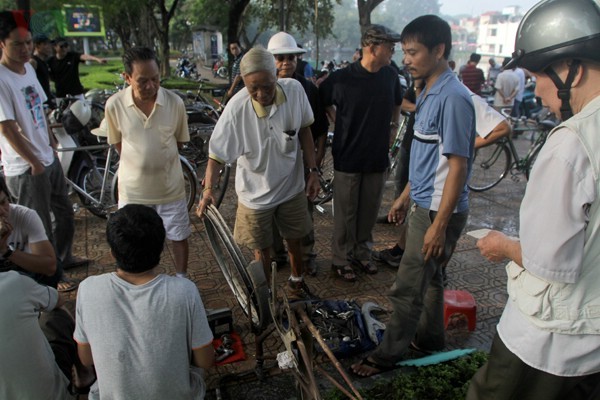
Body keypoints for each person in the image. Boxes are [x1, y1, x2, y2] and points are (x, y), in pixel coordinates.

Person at [467, 0, 600, 398]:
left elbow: (548, 263)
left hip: (550, 340)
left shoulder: (571, 145)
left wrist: (503, 245)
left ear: (570, 70)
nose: (536, 91)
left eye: (536, 77)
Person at [351, 14, 475, 376]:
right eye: (403, 51)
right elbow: (427, 157)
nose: (405, 59)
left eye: (413, 52)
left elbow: (457, 167)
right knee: (432, 278)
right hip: (426, 203)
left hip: (438, 210)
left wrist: (438, 226)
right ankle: (430, 339)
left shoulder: (452, 98)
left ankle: (386, 355)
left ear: (439, 50)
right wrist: (406, 196)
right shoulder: (428, 91)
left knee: (407, 287)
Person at [197, 47, 320, 299]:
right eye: (254, 88)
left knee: (294, 239)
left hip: (291, 187)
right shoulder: (236, 109)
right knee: (261, 248)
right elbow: (216, 156)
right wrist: (208, 190)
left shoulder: (295, 91)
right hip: (255, 195)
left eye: (267, 85)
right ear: (243, 82)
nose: (262, 94)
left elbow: (305, 131)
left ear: (276, 75)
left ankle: (296, 282)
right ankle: (265, 294)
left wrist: (313, 171)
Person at [74, 204, 215, 399]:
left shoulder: (88, 289)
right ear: (161, 249)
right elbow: (205, 360)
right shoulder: (184, 291)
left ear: (113, 252)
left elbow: (86, 358)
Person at [375, 87, 511, 268]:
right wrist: (405, 196)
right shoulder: (429, 95)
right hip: (423, 189)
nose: (409, 61)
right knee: (424, 266)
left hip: (440, 193)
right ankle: (400, 252)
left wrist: (466, 145)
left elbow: (503, 127)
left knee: (427, 274)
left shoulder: (459, 96)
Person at [0, 11, 84, 281]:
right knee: (39, 228)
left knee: (65, 214)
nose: (26, 49)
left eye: (28, 43)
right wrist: (35, 161)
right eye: (18, 44)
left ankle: (63, 260)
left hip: (48, 157)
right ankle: (49, 282)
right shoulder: (1, 79)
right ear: (1, 44)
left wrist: (50, 143)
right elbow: (7, 127)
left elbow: (40, 110)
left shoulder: (30, 70)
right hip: (26, 168)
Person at [319, 24, 403, 282]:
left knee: (368, 212)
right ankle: (341, 259)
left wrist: (392, 127)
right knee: (346, 214)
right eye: (390, 46)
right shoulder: (342, 78)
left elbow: (397, 104)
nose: (393, 50)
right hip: (348, 156)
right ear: (372, 47)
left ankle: (362, 254)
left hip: (377, 157)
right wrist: (334, 118)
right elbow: (320, 99)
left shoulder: (389, 76)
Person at [104, 46, 192, 278]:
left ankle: (181, 277)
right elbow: (119, 144)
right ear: (127, 77)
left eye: (155, 79)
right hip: (133, 192)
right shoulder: (114, 105)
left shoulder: (174, 103)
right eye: (142, 81)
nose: (151, 86)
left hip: (170, 188)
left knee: (178, 236)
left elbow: (179, 143)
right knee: (132, 241)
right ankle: (137, 282)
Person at [267, 31, 329, 277]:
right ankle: (277, 255)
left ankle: (307, 255)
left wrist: (316, 161)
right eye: (280, 58)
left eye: (291, 58)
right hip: (270, 163)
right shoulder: (261, 88)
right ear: (270, 60)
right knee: (270, 209)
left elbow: (319, 128)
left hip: (301, 162)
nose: (286, 63)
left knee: (303, 210)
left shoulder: (307, 88)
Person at [0, 177, 58, 287]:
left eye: (3, 202)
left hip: (25, 272)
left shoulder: (25, 215)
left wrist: (5, 251)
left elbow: (50, 267)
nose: (2, 211)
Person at [30, 33, 55, 108]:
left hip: (47, 100)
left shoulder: (44, 62)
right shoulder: (33, 62)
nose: (49, 47)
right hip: (40, 104)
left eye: (49, 44)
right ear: (37, 46)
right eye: (45, 44)